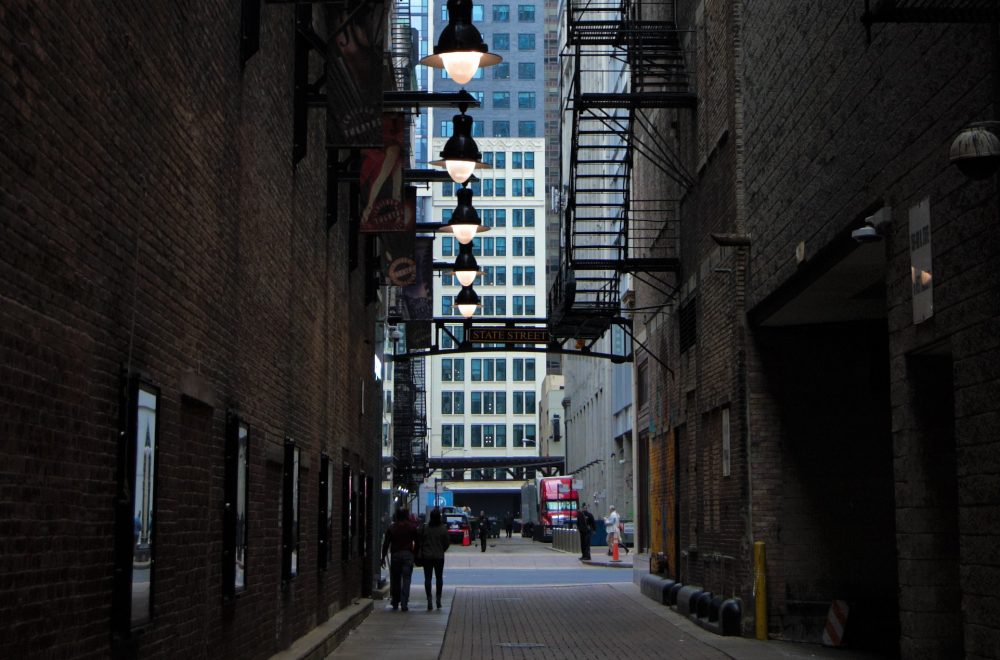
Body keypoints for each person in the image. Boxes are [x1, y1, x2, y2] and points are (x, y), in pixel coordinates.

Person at [381, 507, 418, 611]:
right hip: (408, 554)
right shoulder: (412, 527)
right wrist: (415, 554)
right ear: (407, 516)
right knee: (407, 579)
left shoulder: (392, 528)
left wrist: (383, 557)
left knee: (396, 579)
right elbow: (418, 541)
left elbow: (386, 543)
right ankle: (404, 602)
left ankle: (395, 601)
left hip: (396, 555)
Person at [419, 507, 450, 610]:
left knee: (427, 578)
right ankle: (438, 599)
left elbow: (421, 541)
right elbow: (447, 543)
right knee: (439, 578)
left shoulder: (426, 528)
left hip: (427, 556)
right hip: (439, 556)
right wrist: (441, 549)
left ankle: (429, 599)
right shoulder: (443, 528)